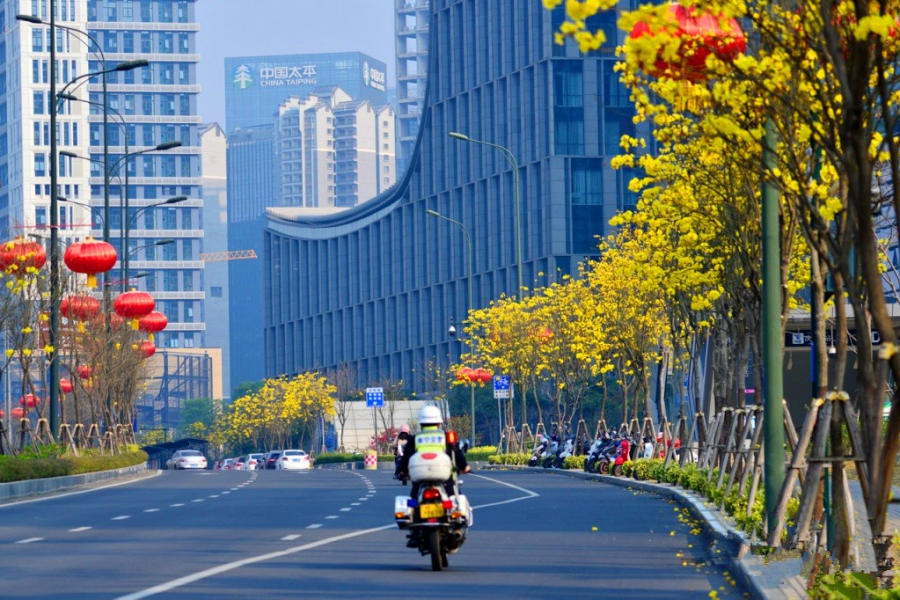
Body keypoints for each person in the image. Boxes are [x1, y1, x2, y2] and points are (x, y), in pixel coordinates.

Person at [397, 405, 470, 500]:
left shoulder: (414, 439)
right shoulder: (446, 437)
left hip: (420, 475)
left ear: (421, 424)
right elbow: (456, 453)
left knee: (413, 501)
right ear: (439, 424)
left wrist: (403, 471)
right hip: (444, 475)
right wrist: (464, 467)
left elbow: (405, 459)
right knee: (456, 503)